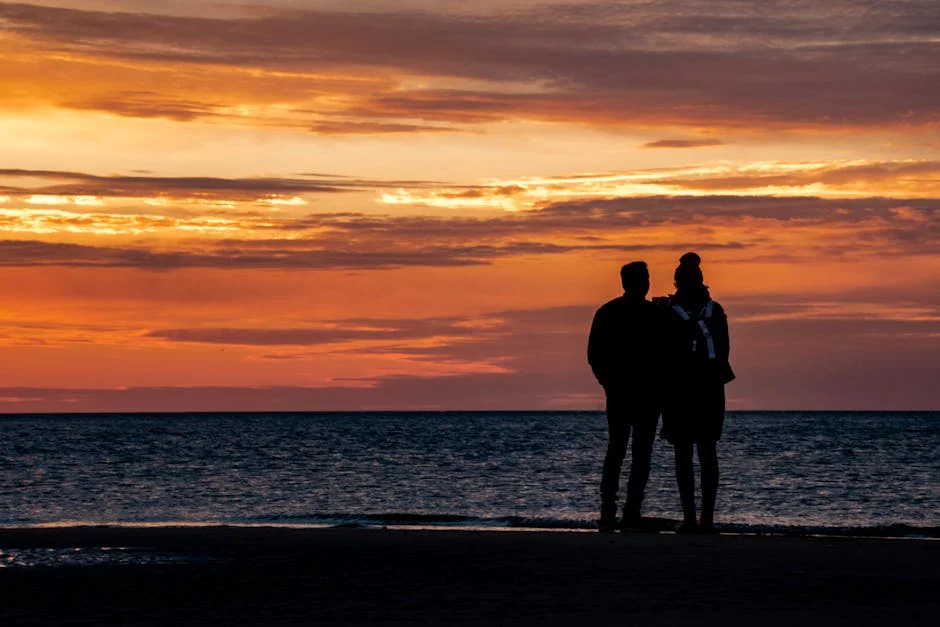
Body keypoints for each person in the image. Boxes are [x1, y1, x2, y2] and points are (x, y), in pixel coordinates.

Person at [660, 252, 735, 533]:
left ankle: (690, 518)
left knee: (684, 456)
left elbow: (662, 354)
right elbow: (725, 350)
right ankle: (707, 518)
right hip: (711, 390)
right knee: (707, 454)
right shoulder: (715, 311)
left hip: (680, 392)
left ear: (678, 283)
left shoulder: (669, 312)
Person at [588, 261, 664, 532]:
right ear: (642, 282)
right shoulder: (652, 314)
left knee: (619, 452)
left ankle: (613, 511)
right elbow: (595, 355)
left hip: (628, 392)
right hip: (640, 394)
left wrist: (608, 383)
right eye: (646, 278)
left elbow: (594, 355)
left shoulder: (609, 312)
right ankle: (627, 510)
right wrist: (609, 383)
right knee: (635, 454)